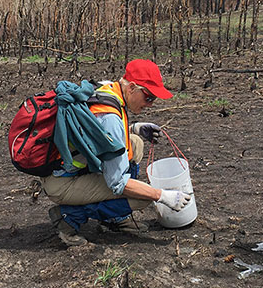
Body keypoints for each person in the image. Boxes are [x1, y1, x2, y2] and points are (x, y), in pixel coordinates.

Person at [42, 59, 192, 246]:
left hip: (68, 169)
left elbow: (98, 130)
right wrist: (161, 196)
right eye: (149, 97)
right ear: (132, 88)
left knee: (135, 144)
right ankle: (68, 217)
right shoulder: (110, 117)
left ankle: (113, 216)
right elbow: (117, 184)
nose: (150, 104)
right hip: (63, 183)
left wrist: (134, 128)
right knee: (140, 197)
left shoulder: (108, 88)